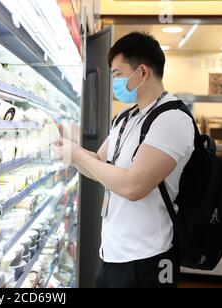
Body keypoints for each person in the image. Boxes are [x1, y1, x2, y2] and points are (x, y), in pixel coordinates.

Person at [53, 32, 195, 288]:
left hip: (148, 260)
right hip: (111, 253)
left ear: (142, 72)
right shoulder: (125, 118)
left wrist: (76, 155)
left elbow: (133, 186)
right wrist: (70, 149)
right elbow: (98, 160)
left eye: (118, 74)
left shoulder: (172, 120)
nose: (114, 81)